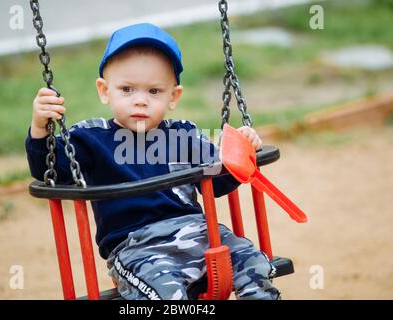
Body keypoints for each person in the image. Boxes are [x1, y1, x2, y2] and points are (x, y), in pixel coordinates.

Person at [26, 23, 280, 300]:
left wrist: (242, 150)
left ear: (173, 96)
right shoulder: (90, 138)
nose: (140, 101)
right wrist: (40, 128)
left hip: (201, 234)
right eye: (127, 89)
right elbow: (48, 170)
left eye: (154, 91)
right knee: (166, 294)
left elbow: (219, 181)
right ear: (104, 91)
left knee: (252, 260)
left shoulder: (183, 134)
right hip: (136, 247)